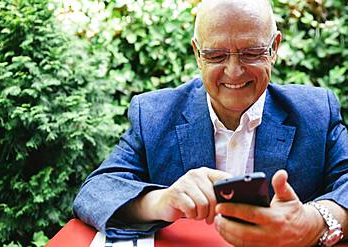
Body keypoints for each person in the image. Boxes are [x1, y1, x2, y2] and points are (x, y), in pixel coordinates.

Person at [73, 0, 348, 246]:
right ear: (197, 53)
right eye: (216, 55)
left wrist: (314, 222)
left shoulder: (316, 112)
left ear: (273, 48)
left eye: (251, 52)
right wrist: (162, 201)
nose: (234, 71)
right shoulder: (153, 114)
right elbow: (96, 191)